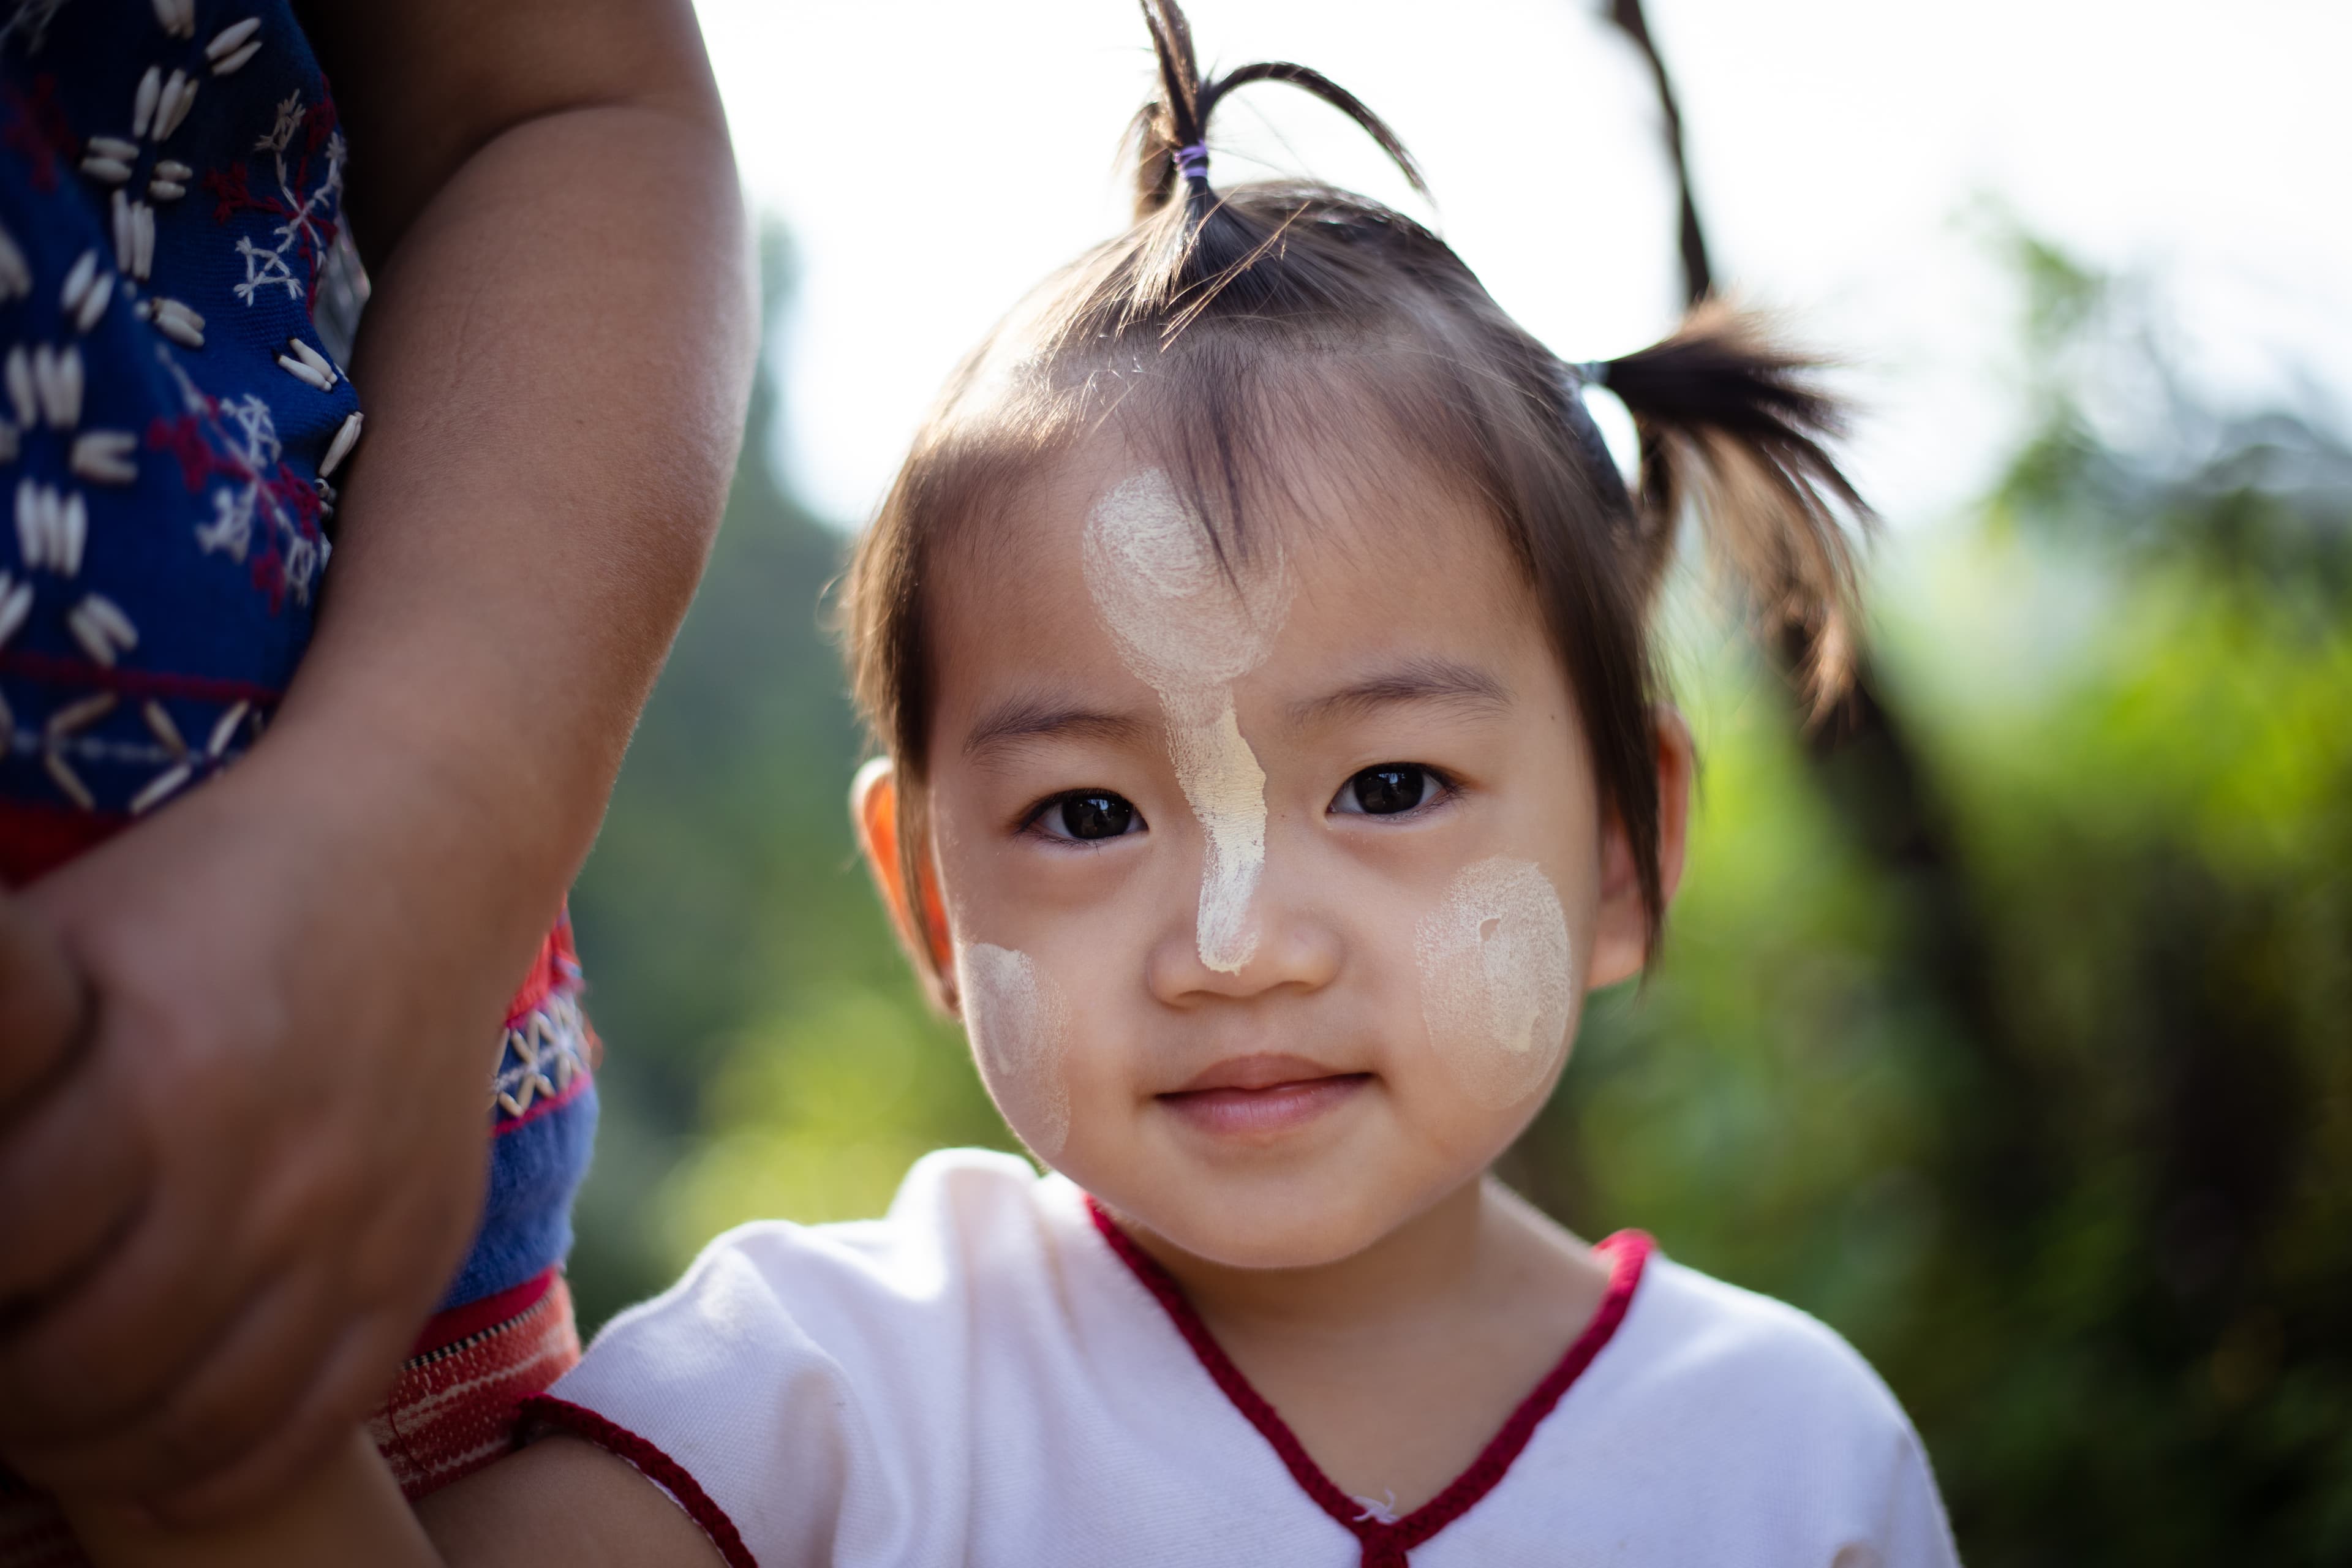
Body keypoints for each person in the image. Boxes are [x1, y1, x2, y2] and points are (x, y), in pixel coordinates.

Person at [60, 2, 1962, 1563]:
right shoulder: (818, 1401)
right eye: (1086, 815)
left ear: (1631, 849)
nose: (1239, 946)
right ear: (930, 901)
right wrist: (184, 1445)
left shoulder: (1793, 1470)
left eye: (1389, 786)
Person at [0, 0, 751, 1561]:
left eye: (1393, 785)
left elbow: (562, 98)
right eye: (1086, 814)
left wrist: (414, 852)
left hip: (363, 1222)